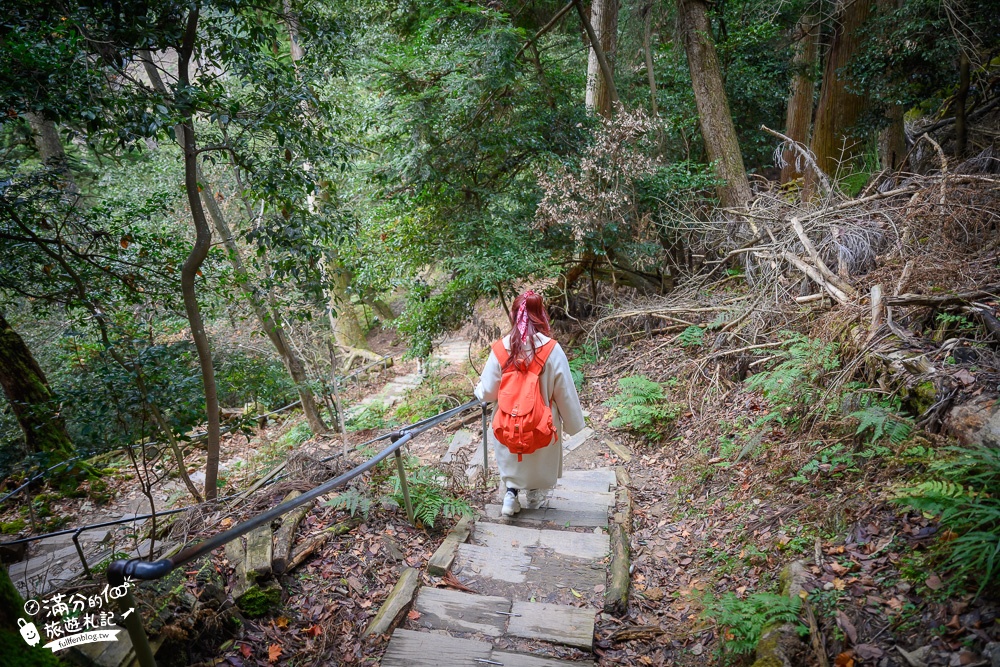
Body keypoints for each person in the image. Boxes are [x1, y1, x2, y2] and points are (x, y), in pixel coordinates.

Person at [474, 290, 586, 516]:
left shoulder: (500, 348)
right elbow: (564, 390)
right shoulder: (552, 349)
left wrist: (478, 390)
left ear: (514, 315)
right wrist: (574, 423)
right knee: (538, 455)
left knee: (512, 456)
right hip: (541, 421)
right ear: (540, 314)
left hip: (507, 421)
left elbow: (487, 391)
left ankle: (510, 495)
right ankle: (535, 495)